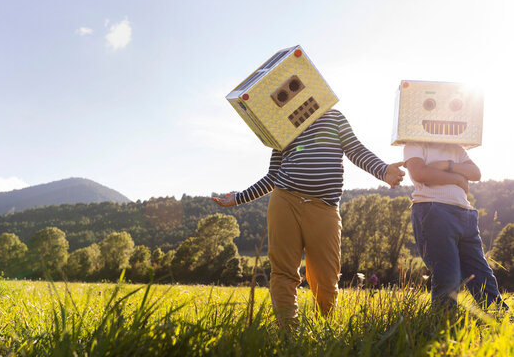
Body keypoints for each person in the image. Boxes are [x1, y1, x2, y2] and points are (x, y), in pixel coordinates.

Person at [213, 108, 405, 325]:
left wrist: (383, 170)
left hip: (324, 208)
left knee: (326, 276)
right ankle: (287, 331)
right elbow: (273, 175)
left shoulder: (334, 117)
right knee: (283, 271)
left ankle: (323, 328)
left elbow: (355, 150)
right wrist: (239, 198)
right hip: (285, 201)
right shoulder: (282, 123)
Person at [404, 142, 509, 311]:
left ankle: (499, 316)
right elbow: (420, 173)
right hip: (434, 210)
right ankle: (444, 321)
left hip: (465, 213)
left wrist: (447, 165)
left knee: (481, 272)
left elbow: (475, 173)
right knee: (448, 274)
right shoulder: (416, 144)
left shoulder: (456, 148)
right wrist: (458, 177)